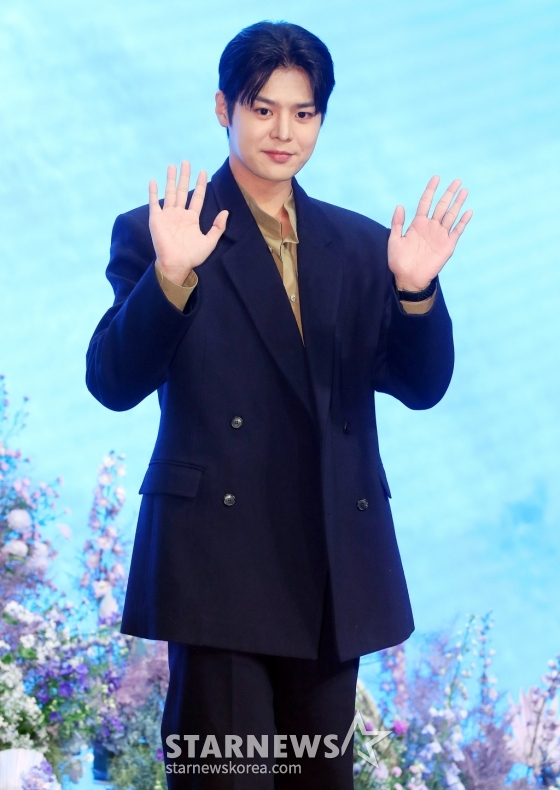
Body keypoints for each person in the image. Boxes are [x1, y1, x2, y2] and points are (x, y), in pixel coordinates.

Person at [86, 20, 471, 790]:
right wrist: (170, 277)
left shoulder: (362, 247)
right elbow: (113, 381)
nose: (283, 132)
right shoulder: (164, 230)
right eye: (262, 109)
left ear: (322, 119)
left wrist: (416, 291)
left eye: (303, 112)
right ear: (223, 108)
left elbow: (421, 386)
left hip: (332, 565)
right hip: (218, 565)